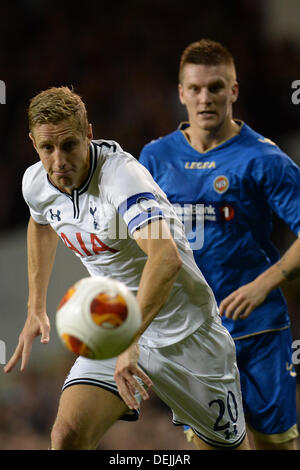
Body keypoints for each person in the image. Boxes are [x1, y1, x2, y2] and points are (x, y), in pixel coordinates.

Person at [4, 86, 250, 450]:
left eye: (69, 145)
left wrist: (131, 340)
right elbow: (40, 222)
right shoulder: (36, 182)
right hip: (115, 324)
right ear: (33, 143)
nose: (58, 161)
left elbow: (165, 258)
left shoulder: (121, 179)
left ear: (88, 134)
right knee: (66, 437)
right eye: (46, 148)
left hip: (187, 334)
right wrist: (35, 307)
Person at [139, 39, 300, 450]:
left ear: (234, 90)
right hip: (193, 334)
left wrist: (264, 284)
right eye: (195, 88)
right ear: (181, 93)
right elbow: (144, 245)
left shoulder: (265, 159)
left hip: (257, 329)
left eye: (215, 87)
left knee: (274, 444)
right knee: (212, 446)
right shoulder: (154, 158)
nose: (204, 98)